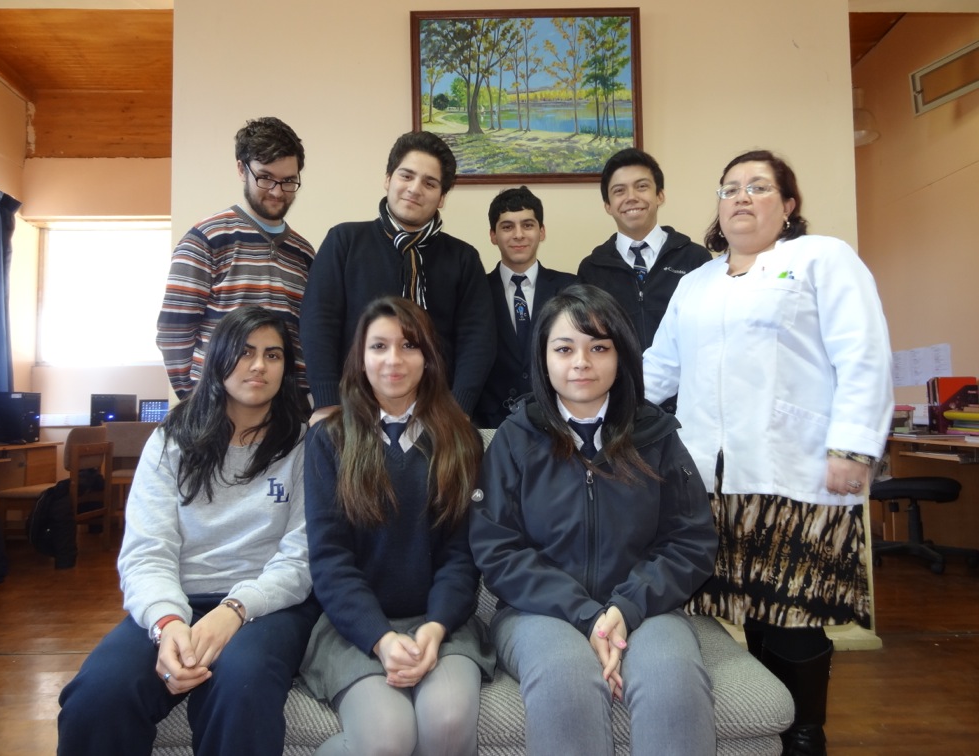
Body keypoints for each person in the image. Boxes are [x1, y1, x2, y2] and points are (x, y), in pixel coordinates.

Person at [643, 149, 894, 756]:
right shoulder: (696, 283)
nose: (741, 197)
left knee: (795, 611)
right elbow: (658, 370)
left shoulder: (821, 259)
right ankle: (771, 729)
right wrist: (584, 414)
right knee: (757, 609)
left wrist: (854, 448)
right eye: (730, 188)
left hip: (798, 470)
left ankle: (805, 736)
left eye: (758, 187)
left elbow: (863, 354)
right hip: (711, 480)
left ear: (788, 205)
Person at [469, 284, 718, 756]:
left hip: (646, 608)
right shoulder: (515, 439)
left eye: (599, 347)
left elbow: (691, 541)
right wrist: (587, 616)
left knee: (672, 682)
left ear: (621, 356)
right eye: (565, 349)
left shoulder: (656, 436)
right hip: (537, 612)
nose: (581, 362)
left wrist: (626, 607)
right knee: (567, 681)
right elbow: (497, 549)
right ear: (544, 358)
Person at [58, 306, 318, 756]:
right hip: (178, 599)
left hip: (268, 607)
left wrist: (233, 610)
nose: (259, 365)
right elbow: (147, 551)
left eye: (273, 355)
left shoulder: (303, 444)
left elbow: (302, 556)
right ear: (219, 359)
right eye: (245, 352)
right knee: (96, 697)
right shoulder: (171, 440)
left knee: (241, 687)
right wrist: (168, 622)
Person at [301, 296, 494, 755]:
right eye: (379, 346)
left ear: (428, 358)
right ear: (360, 358)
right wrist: (381, 639)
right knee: (389, 737)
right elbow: (330, 559)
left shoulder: (460, 439)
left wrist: (436, 627)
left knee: (447, 722)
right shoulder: (330, 438)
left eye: (409, 345)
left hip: (441, 622)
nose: (393, 360)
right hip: (355, 628)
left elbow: (461, 554)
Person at [300, 131, 495, 424]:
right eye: (407, 176)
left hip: (437, 413)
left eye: (429, 183)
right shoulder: (344, 241)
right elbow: (318, 321)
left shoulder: (463, 258)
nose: (415, 189)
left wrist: (460, 406)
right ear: (388, 179)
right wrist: (327, 401)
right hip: (353, 409)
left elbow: (477, 338)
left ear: (442, 197)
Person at [157, 116, 315, 400]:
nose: (277, 191)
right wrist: (194, 401)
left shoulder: (304, 253)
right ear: (242, 169)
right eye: (265, 178)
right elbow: (174, 331)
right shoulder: (206, 238)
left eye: (288, 181)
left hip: (286, 412)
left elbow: (306, 339)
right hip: (215, 409)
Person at [578, 148, 710, 355]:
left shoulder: (695, 258)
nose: (631, 197)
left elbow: (708, 330)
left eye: (641, 187)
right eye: (619, 191)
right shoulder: (591, 269)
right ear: (608, 206)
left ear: (660, 195)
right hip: (617, 376)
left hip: (684, 376)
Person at [474, 186, 577, 429]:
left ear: (542, 232)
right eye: (507, 227)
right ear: (493, 235)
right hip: (491, 423)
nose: (518, 235)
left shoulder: (570, 287)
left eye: (528, 225)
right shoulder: (476, 290)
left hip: (557, 421)